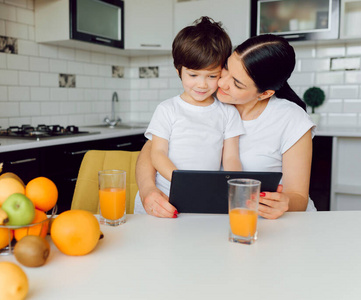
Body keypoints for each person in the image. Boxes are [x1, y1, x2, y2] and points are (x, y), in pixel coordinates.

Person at [135, 33, 316, 220]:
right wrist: (147, 189)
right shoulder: (203, 98)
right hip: (207, 221)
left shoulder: (291, 119)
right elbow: (152, 151)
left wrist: (283, 203)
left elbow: (299, 198)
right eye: (226, 68)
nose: (221, 82)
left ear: (264, 94)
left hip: (266, 223)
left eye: (237, 83)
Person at [133, 17, 245, 215]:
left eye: (212, 76)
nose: (202, 85)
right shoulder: (167, 109)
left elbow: (231, 157)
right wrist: (184, 181)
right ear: (179, 71)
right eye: (193, 75)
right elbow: (157, 153)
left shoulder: (228, 112)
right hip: (163, 197)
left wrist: (236, 184)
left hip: (204, 198)